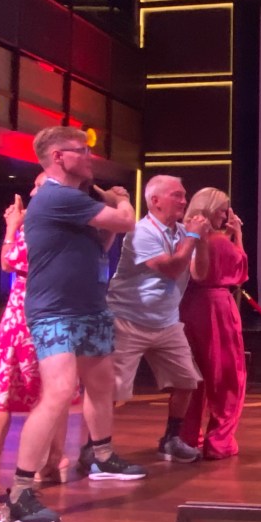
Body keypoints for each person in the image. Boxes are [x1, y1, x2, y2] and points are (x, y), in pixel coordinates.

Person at [6, 126, 146, 522]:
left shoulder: (73, 201)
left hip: (88, 307)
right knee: (58, 392)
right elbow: (127, 221)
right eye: (81, 151)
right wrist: (119, 198)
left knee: (100, 385)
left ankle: (102, 456)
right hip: (54, 312)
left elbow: (98, 245)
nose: (89, 157)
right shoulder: (56, 197)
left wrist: (104, 201)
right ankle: (20, 493)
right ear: (58, 158)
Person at [0, 175, 70, 505]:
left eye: (38, 186)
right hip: (55, 315)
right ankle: (55, 460)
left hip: (24, 316)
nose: (32, 192)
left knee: (0, 394)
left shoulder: (40, 225)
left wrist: (11, 227)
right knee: (50, 393)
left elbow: (10, 261)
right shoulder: (69, 224)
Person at [106, 175, 210, 464]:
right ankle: (96, 448)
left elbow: (200, 274)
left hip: (167, 322)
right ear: (155, 201)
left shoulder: (182, 232)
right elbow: (172, 269)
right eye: (177, 195)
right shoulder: (141, 232)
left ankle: (171, 439)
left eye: (184, 195)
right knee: (112, 389)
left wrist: (200, 241)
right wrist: (193, 237)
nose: (184, 201)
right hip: (127, 320)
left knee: (186, 381)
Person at [179, 187, 249, 460]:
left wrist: (227, 236)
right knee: (227, 377)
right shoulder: (218, 242)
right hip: (217, 309)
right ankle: (219, 441)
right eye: (223, 209)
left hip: (188, 308)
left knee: (193, 377)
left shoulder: (185, 236)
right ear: (210, 209)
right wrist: (238, 235)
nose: (225, 214)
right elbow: (239, 271)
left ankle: (187, 438)